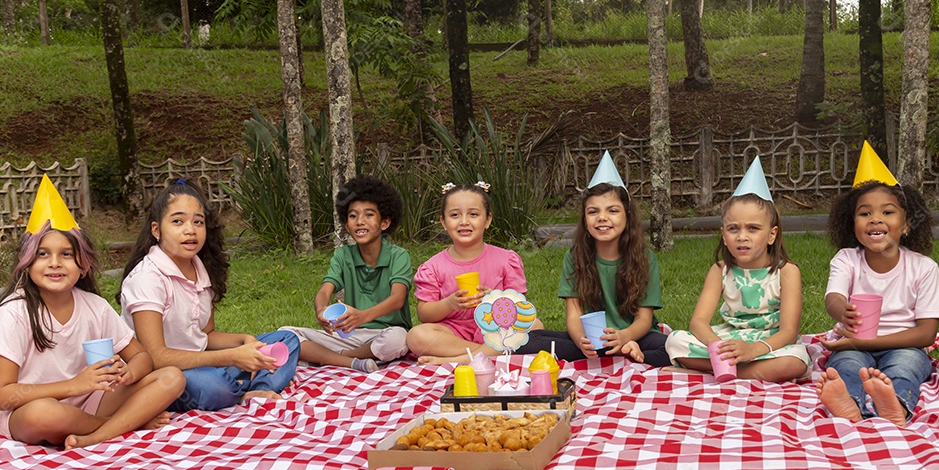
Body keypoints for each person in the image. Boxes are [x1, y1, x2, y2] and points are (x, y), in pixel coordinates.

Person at [0, 175, 184, 450]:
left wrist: (129, 373)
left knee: (171, 377)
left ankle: (97, 433)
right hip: (28, 411)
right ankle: (124, 424)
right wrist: (74, 385)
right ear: (26, 263)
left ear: (83, 265)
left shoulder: (94, 306)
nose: (54, 263)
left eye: (66, 254)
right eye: (42, 254)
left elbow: (142, 357)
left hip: (92, 400)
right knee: (44, 414)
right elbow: (1, 396)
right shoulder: (13, 313)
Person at [119, 180, 300, 411]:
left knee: (287, 340)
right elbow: (155, 356)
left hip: (203, 362)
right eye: (177, 221)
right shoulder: (147, 278)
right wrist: (232, 357)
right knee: (215, 386)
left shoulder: (201, 269)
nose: (190, 230)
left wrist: (244, 340)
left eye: (198, 222)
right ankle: (241, 388)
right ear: (156, 230)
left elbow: (206, 335)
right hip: (166, 374)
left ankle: (256, 389)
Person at [816, 141, 939, 426]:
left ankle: (896, 405)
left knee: (905, 367)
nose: (875, 218)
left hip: (905, 344)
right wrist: (842, 313)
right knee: (846, 366)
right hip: (854, 344)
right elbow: (833, 297)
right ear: (852, 224)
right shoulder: (847, 259)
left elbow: (926, 334)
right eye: (865, 213)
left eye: (887, 212)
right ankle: (849, 404)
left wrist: (871, 341)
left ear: (906, 224)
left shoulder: (924, 268)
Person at [664, 157, 809, 381]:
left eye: (753, 228)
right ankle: (729, 370)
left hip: (769, 343)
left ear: (772, 235)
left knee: (795, 362)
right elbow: (698, 321)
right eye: (733, 229)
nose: (742, 237)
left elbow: (789, 332)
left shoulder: (787, 271)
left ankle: (708, 374)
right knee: (675, 341)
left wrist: (752, 350)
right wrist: (719, 348)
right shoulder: (720, 270)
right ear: (723, 235)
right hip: (728, 337)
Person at [520, 151, 669, 364]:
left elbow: (644, 319)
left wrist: (624, 336)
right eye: (593, 212)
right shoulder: (575, 257)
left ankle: (625, 352)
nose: (602, 218)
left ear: (627, 215)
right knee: (526, 341)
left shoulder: (645, 258)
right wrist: (582, 340)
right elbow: (573, 314)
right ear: (585, 219)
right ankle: (624, 357)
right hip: (592, 341)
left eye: (613, 210)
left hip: (635, 336)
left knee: (672, 346)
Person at [281, 175, 412, 371]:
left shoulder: (398, 255)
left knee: (400, 339)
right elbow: (325, 290)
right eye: (353, 216)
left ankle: (336, 358)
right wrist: (320, 311)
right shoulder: (343, 255)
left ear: (384, 223)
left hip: (384, 334)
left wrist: (362, 316)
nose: (360, 221)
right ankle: (352, 362)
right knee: (285, 333)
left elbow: (397, 299)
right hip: (350, 335)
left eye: (369, 215)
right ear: (346, 224)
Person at [407, 181, 540, 365]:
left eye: (473, 214)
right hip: (453, 333)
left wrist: (495, 299)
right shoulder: (432, 267)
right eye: (455, 215)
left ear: (487, 220)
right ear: (443, 222)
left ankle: (459, 359)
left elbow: (520, 305)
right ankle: (487, 353)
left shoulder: (506, 259)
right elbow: (424, 314)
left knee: (534, 325)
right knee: (416, 336)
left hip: (495, 328)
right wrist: (450, 304)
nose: (464, 221)